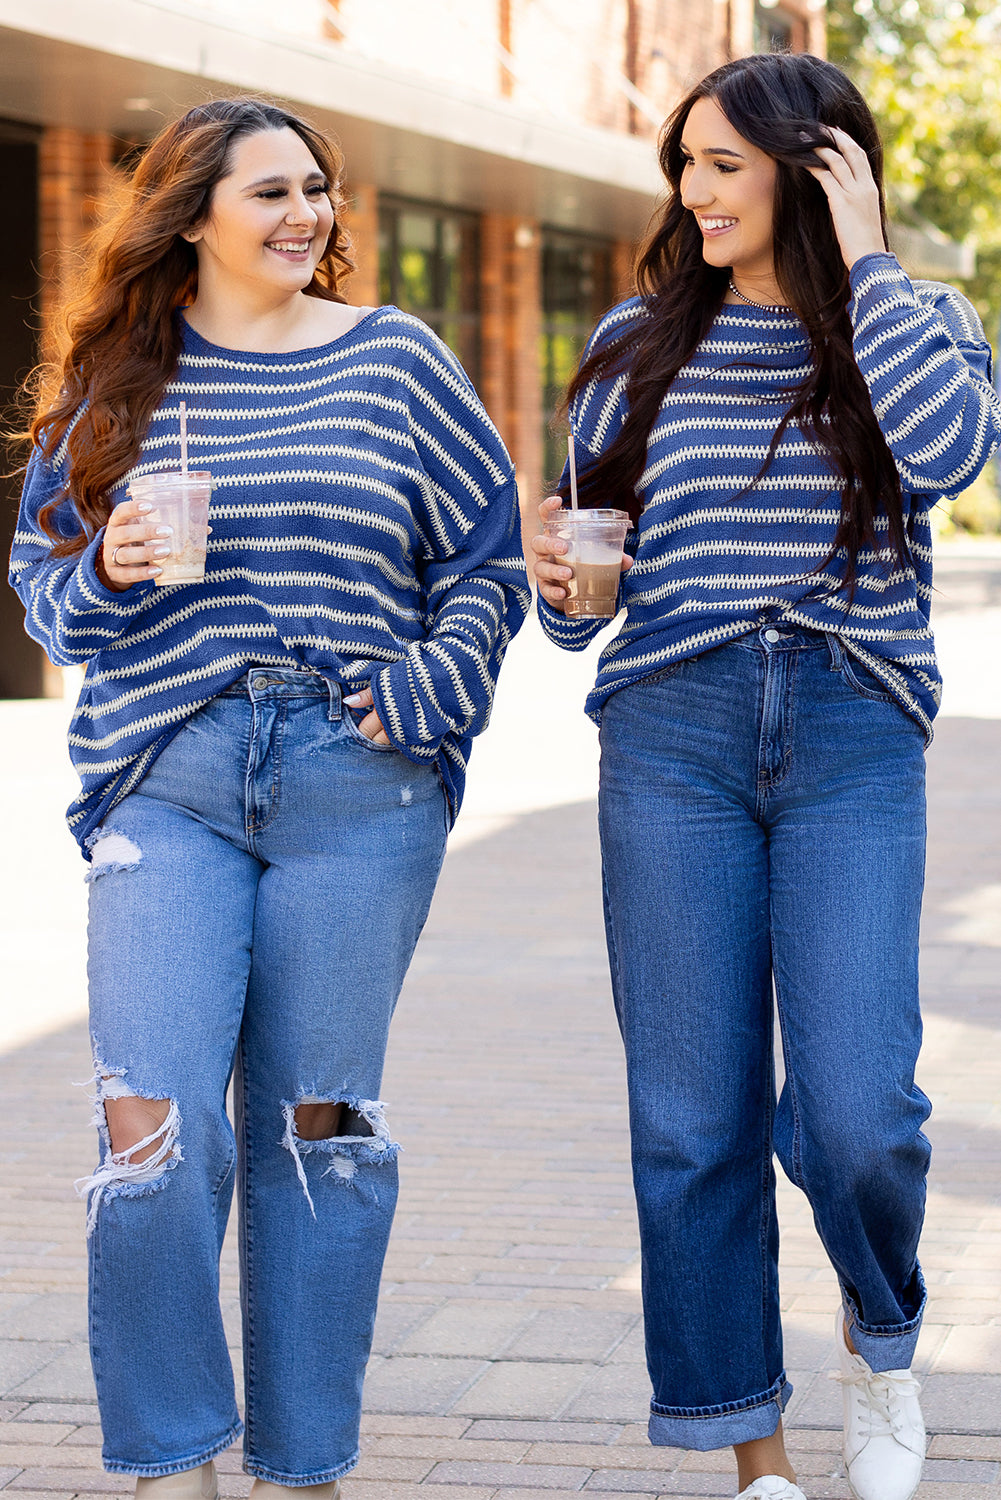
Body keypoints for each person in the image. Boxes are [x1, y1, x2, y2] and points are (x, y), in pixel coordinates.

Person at [10, 98, 528, 1500]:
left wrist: (429, 686)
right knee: (152, 1122)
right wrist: (108, 567)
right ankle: (176, 1461)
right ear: (191, 217)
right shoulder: (121, 377)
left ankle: (305, 1468)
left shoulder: (398, 364)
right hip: (164, 776)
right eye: (272, 193)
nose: (308, 215)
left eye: (319, 190)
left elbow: (488, 564)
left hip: (354, 782)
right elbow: (47, 599)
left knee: (320, 1132)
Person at [531, 51, 1001, 1500]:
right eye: (684, 163)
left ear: (815, 168)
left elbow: (944, 460)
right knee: (689, 1118)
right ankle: (755, 1457)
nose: (691, 191)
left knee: (857, 1114)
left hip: (852, 736)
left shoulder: (920, 323)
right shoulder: (634, 338)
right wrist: (561, 583)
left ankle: (880, 1333)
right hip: (671, 733)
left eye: (722, 164)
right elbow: (578, 593)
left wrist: (869, 263)